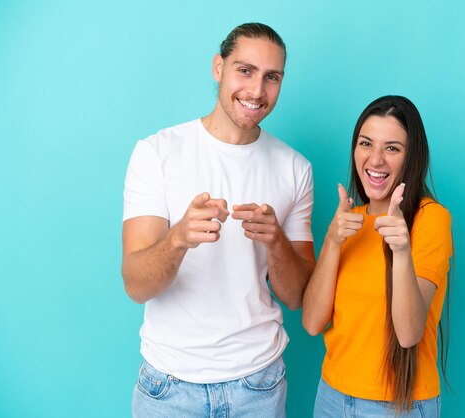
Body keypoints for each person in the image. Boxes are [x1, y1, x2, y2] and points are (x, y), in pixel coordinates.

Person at [121, 23, 315, 417]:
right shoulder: (156, 153)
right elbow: (136, 285)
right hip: (169, 386)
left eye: (271, 77)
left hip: (258, 385)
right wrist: (178, 239)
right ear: (218, 68)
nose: (257, 91)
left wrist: (276, 241)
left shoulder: (295, 168)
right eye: (245, 70)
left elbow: (297, 297)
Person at [302, 95, 452, 417]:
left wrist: (401, 252)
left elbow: (409, 333)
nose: (376, 160)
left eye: (392, 148)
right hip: (330, 396)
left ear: (412, 157)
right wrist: (331, 241)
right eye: (366, 143)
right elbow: (313, 323)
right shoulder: (349, 220)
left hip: (397, 406)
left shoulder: (431, 219)